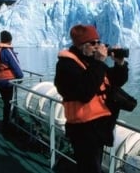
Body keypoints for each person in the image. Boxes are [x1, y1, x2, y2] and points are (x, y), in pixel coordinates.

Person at [54, 24, 129, 173]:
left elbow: (113, 81)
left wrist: (120, 64)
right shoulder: (66, 65)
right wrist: (99, 62)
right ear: (81, 45)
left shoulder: (89, 62)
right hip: (83, 130)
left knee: (92, 167)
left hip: (98, 129)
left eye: (98, 42)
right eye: (93, 43)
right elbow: (85, 92)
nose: (98, 46)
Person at [0, 30, 24, 132]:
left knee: (6, 101)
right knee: (10, 102)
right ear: (10, 40)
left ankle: (8, 121)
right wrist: (20, 77)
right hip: (8, 81)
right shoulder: (7, 51)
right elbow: (16, 66)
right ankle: (8, 123)